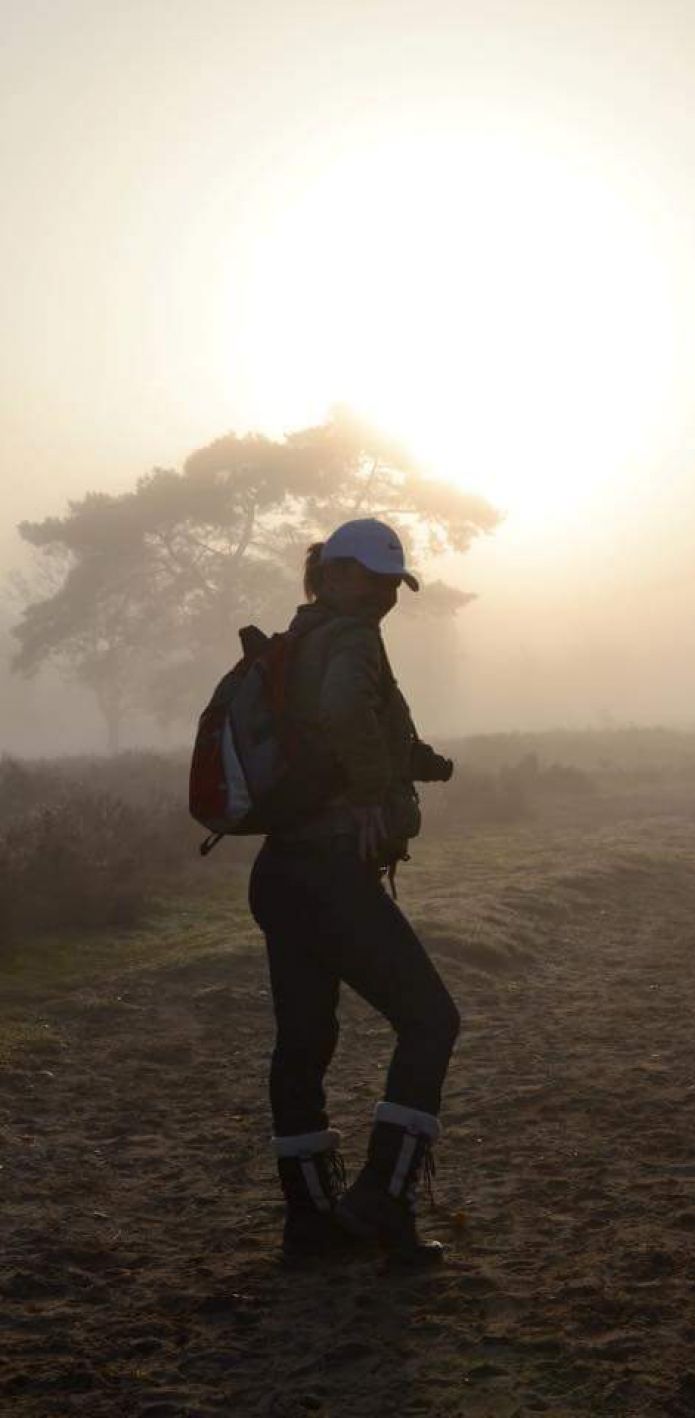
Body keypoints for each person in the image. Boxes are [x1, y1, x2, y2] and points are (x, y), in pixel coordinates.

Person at [248, 517, 460, 1264]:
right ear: (330, 572)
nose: (381, 595)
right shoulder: (350, 637)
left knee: (304, 1045)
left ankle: (309, 1223)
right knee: (431, 1022)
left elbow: (329, 724)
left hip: (281, 874)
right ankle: (381, 1202)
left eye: (391, 583)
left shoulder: (297, 638)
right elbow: (342, 712)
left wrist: (415, 762)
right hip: (330, 875)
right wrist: (375, 792)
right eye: (368, 577)